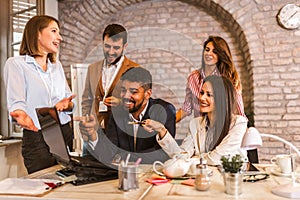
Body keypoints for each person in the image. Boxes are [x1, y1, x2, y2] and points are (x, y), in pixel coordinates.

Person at [4, 15, 75, 174]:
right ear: (37, 33)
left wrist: (67, 104)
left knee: (67, 187)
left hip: (64, 134)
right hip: (37, 137)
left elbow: (68, 99)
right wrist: (21, 115)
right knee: (44, 186)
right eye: (54, 31)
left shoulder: (57, 66)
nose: (60, 37)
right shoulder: (16, 64)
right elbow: (17, 103)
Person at [76, 67, 176, 164]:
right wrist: (92, 134)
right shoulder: (117, 113)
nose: (126, 96)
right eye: (123, 90)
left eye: (133, 91)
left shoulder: (164, 111)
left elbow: (163, 153)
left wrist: (122, 156)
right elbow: (108, 153)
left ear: (148, 94)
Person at [143, 75, 248, 166]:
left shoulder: (238, 123)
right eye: (202, 93)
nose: (202, 98)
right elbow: (180, 156)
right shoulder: (195, 124)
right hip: (203, 179)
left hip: (232, 180)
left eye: (209, 94)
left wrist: (194, 159)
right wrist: (161, 129)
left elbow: (218, 157)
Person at [81, 24, 139, 131]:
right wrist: (86, 122)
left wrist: (120, 103)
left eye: (116, 47)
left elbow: (141, 104)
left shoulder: (136, 69)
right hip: (94, 132)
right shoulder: (92, 68)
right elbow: (86, 100)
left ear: (125, 46)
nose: (111, 52)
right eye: (107, 46)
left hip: (121, 132)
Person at [176, 35, 245, 123]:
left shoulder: (229, 78)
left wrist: (242, 130)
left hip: (224, 130)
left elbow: (239, 112)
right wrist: (165, 125)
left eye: (215, 52)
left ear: (221, 55)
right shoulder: (193, 78)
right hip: (201, 130)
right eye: (207, 50)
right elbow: (186, 108)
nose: (209, 53)